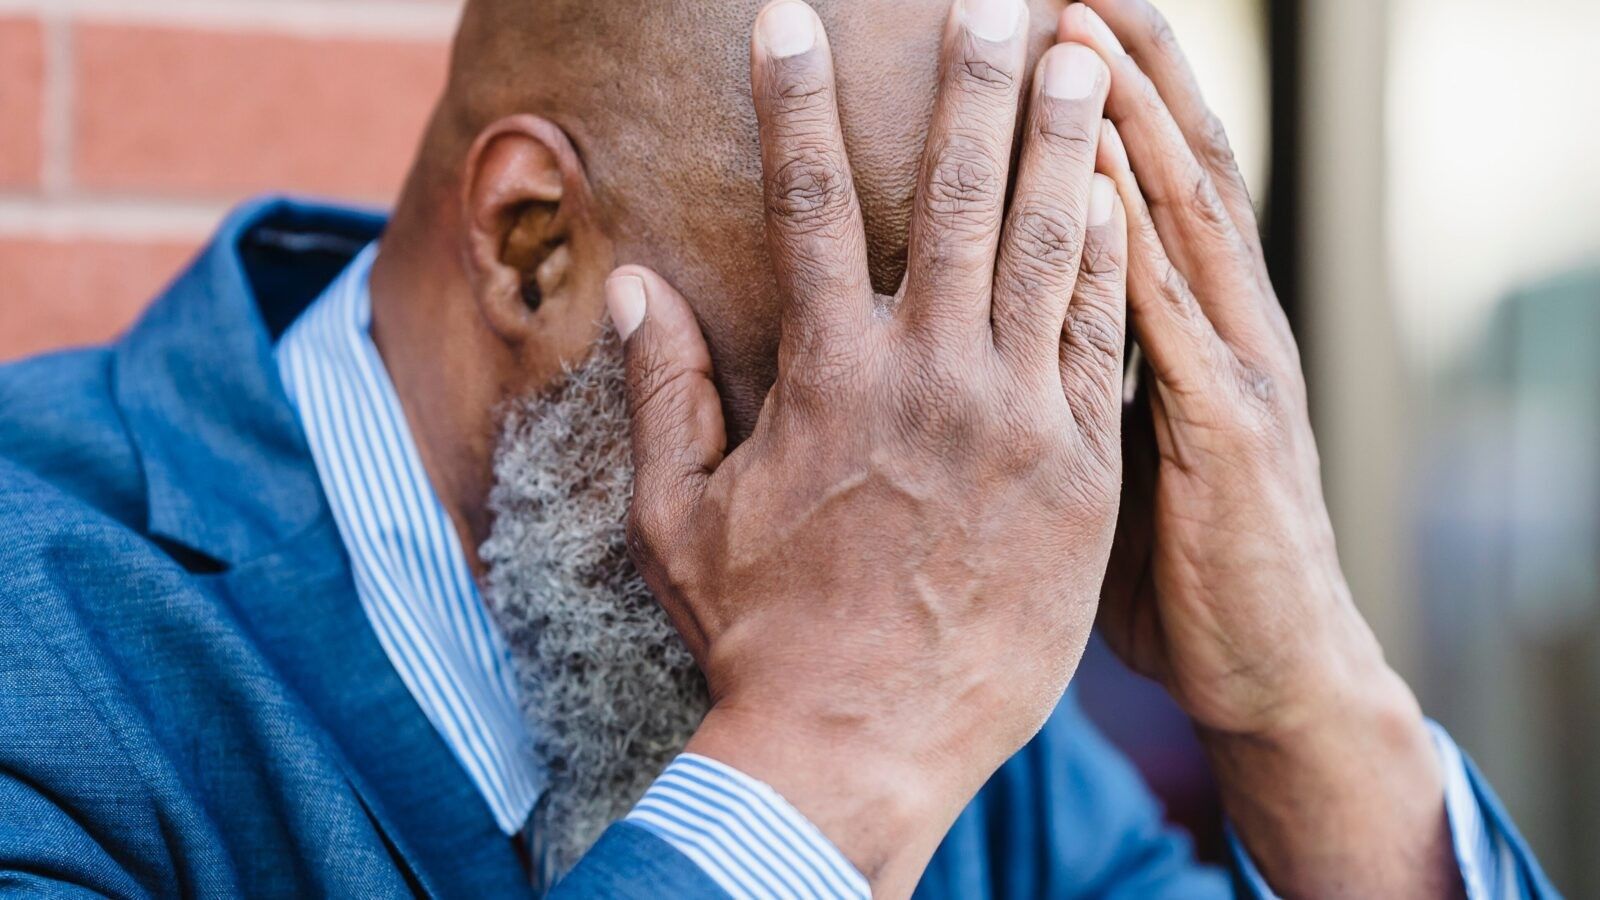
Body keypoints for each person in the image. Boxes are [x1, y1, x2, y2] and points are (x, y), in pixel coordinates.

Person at [0, 0, 1555, 896]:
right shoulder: (48, 651)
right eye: (871, 325)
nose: (980, 454)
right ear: (531, 242)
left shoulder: (972, 742)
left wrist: (1309, 706)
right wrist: (832, 752)